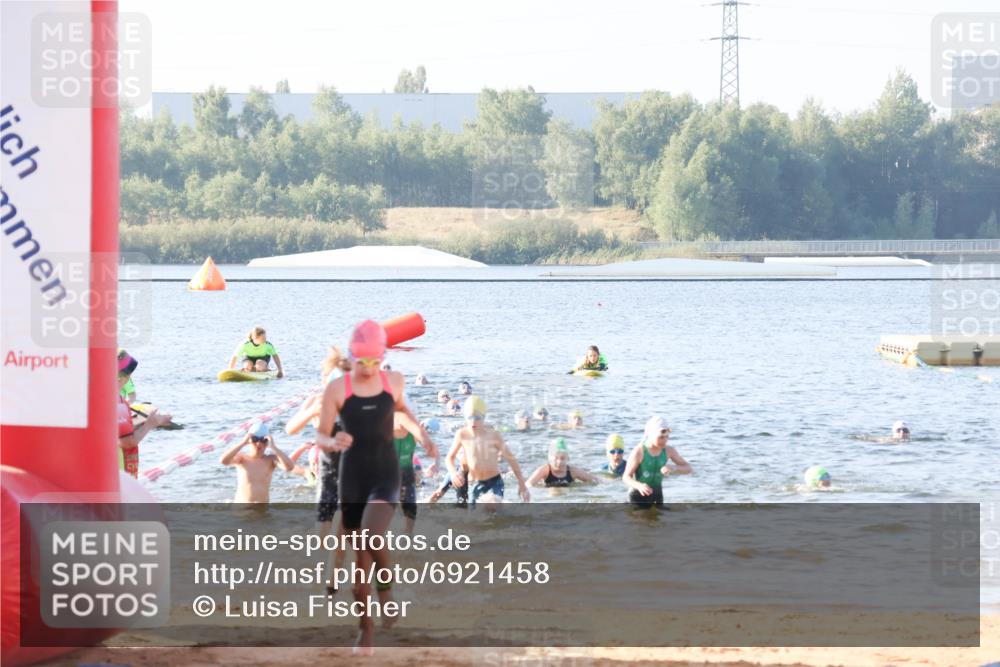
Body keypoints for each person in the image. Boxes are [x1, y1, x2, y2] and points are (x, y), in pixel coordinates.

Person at [314, 320, 409, 654]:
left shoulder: (387, 385)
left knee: (370, 539)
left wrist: (413, 433)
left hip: (381, 476)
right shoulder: (336, 391)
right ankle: (365, 628)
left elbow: (398, 419)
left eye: (374, 363)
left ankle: (386, 594)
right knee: (357, 574)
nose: (368, 370)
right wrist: (329, 440)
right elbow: (317, 434)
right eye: (362, 363)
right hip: (348, 481)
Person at [445, 396, 530, 507]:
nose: (473, 421)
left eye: (477, 417)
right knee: (475, 519)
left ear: (484, 417)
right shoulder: (462, 435)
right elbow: (449, 458)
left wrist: (522, 483)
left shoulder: (493, 435)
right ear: (465, 417)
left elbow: (511, 459)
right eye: (470, 417)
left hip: (494, 482)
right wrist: (453, 473)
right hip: (474, 483)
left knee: (491, 504)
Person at [116, 350, 170, 478]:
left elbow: (118, 434)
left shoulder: (95, 397)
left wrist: (151, 422)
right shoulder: (117, 402)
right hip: (118, 473)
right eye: (128, 373)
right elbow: (127, 442)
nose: (129, 377)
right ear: (121, 377)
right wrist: (151, 424)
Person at [622, 416, 691, 508]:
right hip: (638, 494)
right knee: (640, 520)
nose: (665, 440)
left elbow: (688, 467)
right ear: (650, 434)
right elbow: (626, 477)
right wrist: (639, 486)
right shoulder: (639, 451)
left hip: (657, 492)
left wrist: (673, 467)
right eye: (661, 437)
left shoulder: (668, 450)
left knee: (661, 519)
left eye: (667, 437)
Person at [219, 420, 295, 503]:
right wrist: (242, 443)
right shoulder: (241, 458)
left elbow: (289, 467)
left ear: (267, 442)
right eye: (255, 439)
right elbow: (223, 461)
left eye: (263, 440)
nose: (259, 444)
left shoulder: (271, 460)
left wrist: (274, 447)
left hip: (262, 509)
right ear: (249, 440)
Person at [393, 411, 439, 534]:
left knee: (410, 508)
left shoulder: (414, 434)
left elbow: (433, 449)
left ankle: (408, 538)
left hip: (406, 472)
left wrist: (436, 464)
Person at [527, 438, 597, 487]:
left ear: (568, 459)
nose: (559, 462)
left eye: (562, 458)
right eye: (556, 458)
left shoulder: (573, 471)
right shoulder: (545, 470)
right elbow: (528, 484)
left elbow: (595, 480)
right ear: (549, 458)